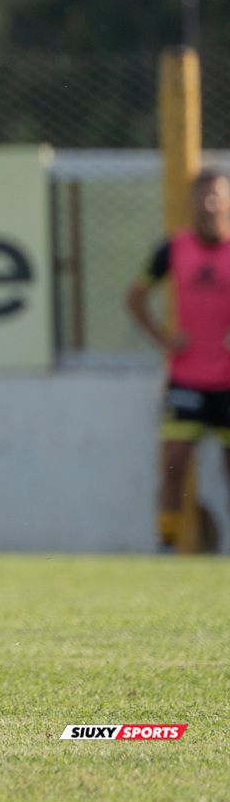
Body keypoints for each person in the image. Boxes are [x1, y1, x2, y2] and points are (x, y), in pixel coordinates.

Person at [126, 168, 230, 550]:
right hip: (186, 377)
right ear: (192, 201)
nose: (209, 203)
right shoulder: (173, 249)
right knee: (174, 460)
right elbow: (134, 297)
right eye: (203, 196)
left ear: (227, 201)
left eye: (217, 195)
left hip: (228, 378)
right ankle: (165, 546)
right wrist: (164, 339)